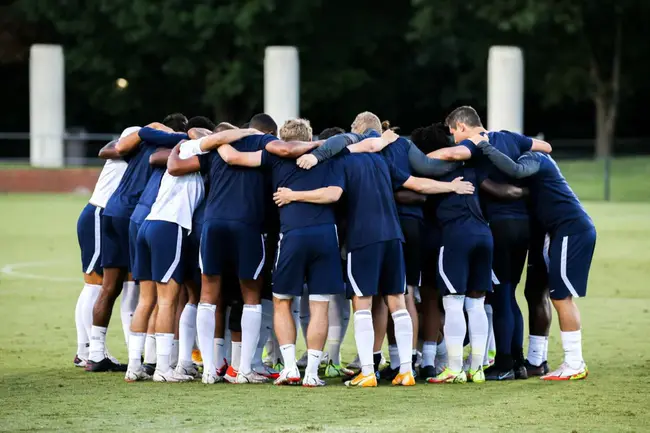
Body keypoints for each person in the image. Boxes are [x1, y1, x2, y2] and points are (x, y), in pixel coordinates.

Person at [276, 111, 474, 387]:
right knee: (398, 302)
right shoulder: (381, 161)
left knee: (362, 304)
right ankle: (406, 370)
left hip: (363, 238)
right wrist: (450, 186)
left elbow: (334, 194)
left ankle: (367, 370)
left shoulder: (342, 160)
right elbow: (416, 183)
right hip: (394, 236)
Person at [167, 115, 319, 384]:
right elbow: (286, 153)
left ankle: (210, 371)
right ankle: (244, 369)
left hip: (212, 224)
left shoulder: (218, 147)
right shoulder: (267, 145)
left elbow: (176, 168)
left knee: (208, 294)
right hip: (249, 225)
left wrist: (179, 147)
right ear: (270, 132)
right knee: (251, 295)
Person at [215, 118, 364, 386]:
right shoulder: (331, 158)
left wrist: (216, 140)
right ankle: (312, 373)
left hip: (292, 234)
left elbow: (233, 158)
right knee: (320, 305)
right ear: (309, 136)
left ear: (282, 139)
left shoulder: (274, 158)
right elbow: (333, 194)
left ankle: (290, 368)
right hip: (325, 235)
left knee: (282, 301)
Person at [429, 106, 552, 380]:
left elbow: (450, 154)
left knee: (502, 295)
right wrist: (521, 180)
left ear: (462, 126)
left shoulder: (474, 144)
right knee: (512, 293)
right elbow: (545, 147)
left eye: (453, 133)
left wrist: (420, 158)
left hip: (498, 225)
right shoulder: (511, 137)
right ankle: (519, 362)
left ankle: (505, 362)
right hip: (525, 225)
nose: (453, 139)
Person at [471, 138, 595, 380]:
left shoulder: (533, 158)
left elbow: (515, 170)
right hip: (552, 232)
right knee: (536, 292)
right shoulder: (534, 167)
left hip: (569, 229)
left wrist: (483, 147)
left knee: (561, 297)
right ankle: (538, 361)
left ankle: (574, 362)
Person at [86, 114, 187, 372]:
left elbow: (111, 150)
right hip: (133, 215)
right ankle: (148, 358)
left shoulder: (140, 141)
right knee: (147, 291)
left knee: (109, 286)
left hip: (111, 210)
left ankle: (96, 352)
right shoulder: (173, 148)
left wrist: (146, 130)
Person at [73, 127, 139, 367]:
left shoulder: (126, 150)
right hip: (100, 214)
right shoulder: (127, 149)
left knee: (106, 285)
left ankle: (87, 350)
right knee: (94, 285)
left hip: (109, 215)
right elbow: (110, 148)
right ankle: (89, 350)